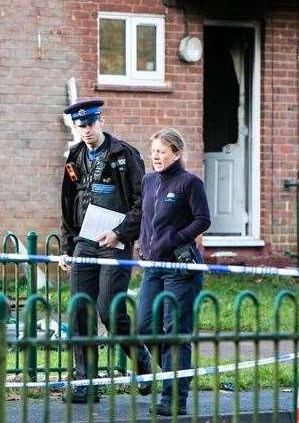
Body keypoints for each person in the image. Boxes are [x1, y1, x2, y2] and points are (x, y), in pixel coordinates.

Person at [58, 98, 153, 404]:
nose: (86, 130)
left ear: (100, 121)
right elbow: (67, 205)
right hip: (85, 242)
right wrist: (67, 247)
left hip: (115, 242)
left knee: (108, 310)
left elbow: (144, 201)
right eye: (80, 125)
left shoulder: (124, 154)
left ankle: (140, 358)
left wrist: (120, 233)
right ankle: (86, 381)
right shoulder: (75, 158)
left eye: (90, 123)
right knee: (81, 312)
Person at [136, 128, 211, 416]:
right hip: (154, 267)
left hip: (181, 267)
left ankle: (174, 397)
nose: (156, 156)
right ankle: (175, 370)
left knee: (175, 331)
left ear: (176, 153)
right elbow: (145, 217)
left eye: (162, 151)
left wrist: (173, 239)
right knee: (144, 325)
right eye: (153, 151)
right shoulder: (149, 180)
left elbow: (203, 220)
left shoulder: (189, 183)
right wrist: (144, 245)